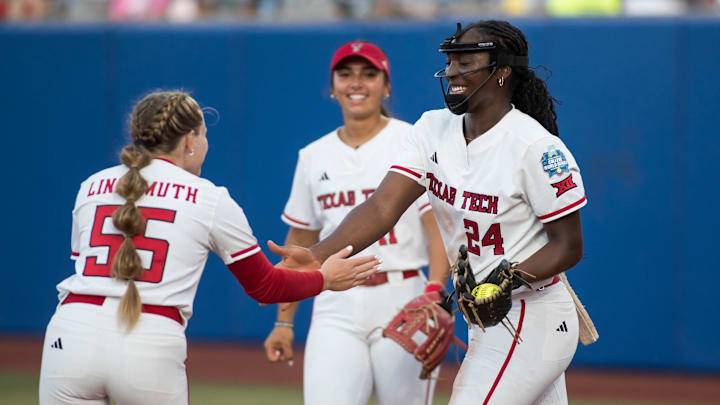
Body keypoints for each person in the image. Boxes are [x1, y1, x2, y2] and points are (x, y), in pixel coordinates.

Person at [270, 21, 587, 405]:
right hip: (486, 318)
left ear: (502, 72)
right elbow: (382, 207)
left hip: (532, 314)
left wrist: (506, 280)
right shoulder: (432, 129)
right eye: (451, 62)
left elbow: (569, 246)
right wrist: (317, 254)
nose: (452, 72)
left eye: (466, 62)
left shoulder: (536, 146)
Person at [38, 90, 380, 405]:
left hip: (71, 332)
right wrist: (324, 278)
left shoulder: (90, 186)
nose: (205, 143)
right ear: (189, 139)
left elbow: (86, 266)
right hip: (149, 337)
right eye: (203, 134)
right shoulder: (209, 197)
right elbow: (265, 286)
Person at [262, 41, 450, 405]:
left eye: (369, 74)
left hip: (405, 295)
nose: (356, 83)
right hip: (335, 302)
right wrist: (283, 322)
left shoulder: (412, 141)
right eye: (345, 75)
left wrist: (435, 292)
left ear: (387, 85)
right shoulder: (313, 156)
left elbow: (436, 228)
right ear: (332, 88)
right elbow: (300, 243)